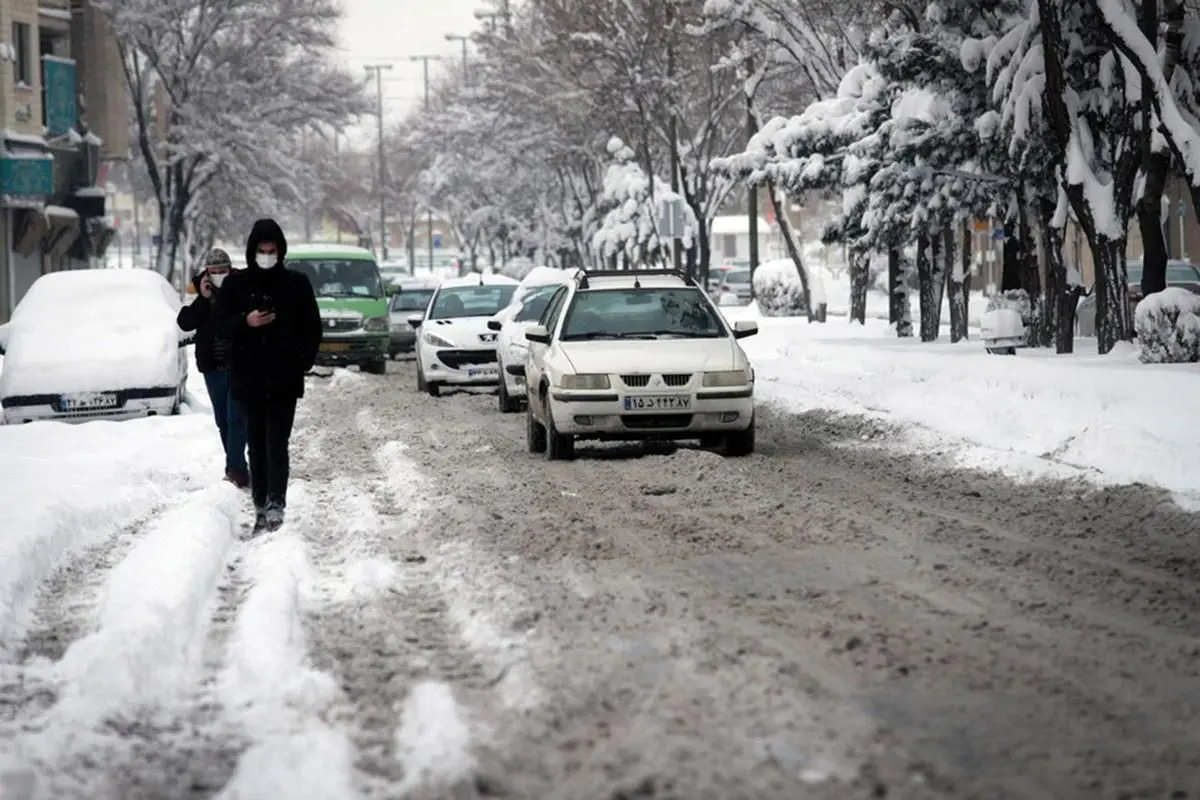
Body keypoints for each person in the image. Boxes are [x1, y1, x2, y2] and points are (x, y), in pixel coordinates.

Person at [216, 218, 322, 533]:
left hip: (283, 377)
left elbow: (312, 326)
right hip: (249, 377)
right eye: (261, 250)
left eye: (271, 250)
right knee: (256, 444)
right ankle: (260, 503)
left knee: (278, 442)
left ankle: (276, 503)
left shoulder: (295, 283)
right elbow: (220, 325)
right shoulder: (237, 285)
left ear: (280, 250)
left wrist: (302, 359)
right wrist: (245, 322)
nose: (266, 255)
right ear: (252, 250)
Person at [176, 248, 249, 488]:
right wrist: (203, 298)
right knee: (223, 420)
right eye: (214, 271)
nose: (218, 275)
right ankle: (238, 465)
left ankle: (234, 469)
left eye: (223, 271)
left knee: (236, 417)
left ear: (230, 269)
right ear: (207, 272)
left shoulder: (242, 285)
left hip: (239, 362)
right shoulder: (196, 288)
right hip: (212, 365)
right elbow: (185, 322)